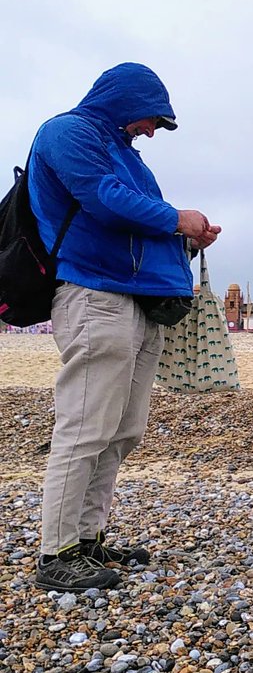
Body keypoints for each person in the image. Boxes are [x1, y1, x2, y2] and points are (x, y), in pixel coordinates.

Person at [27, 63, 221, 592]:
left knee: (123, 429)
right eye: (151, 118)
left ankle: (88, 541)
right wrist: (175, 218)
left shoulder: (125, 154)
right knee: (86, 427)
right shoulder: (67, 132)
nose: (152, 131)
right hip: (94, 295)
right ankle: (57, 551)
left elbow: (138, 216)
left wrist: (185, 236)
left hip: (137, 302)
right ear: (125, 100)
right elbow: (102, 199)